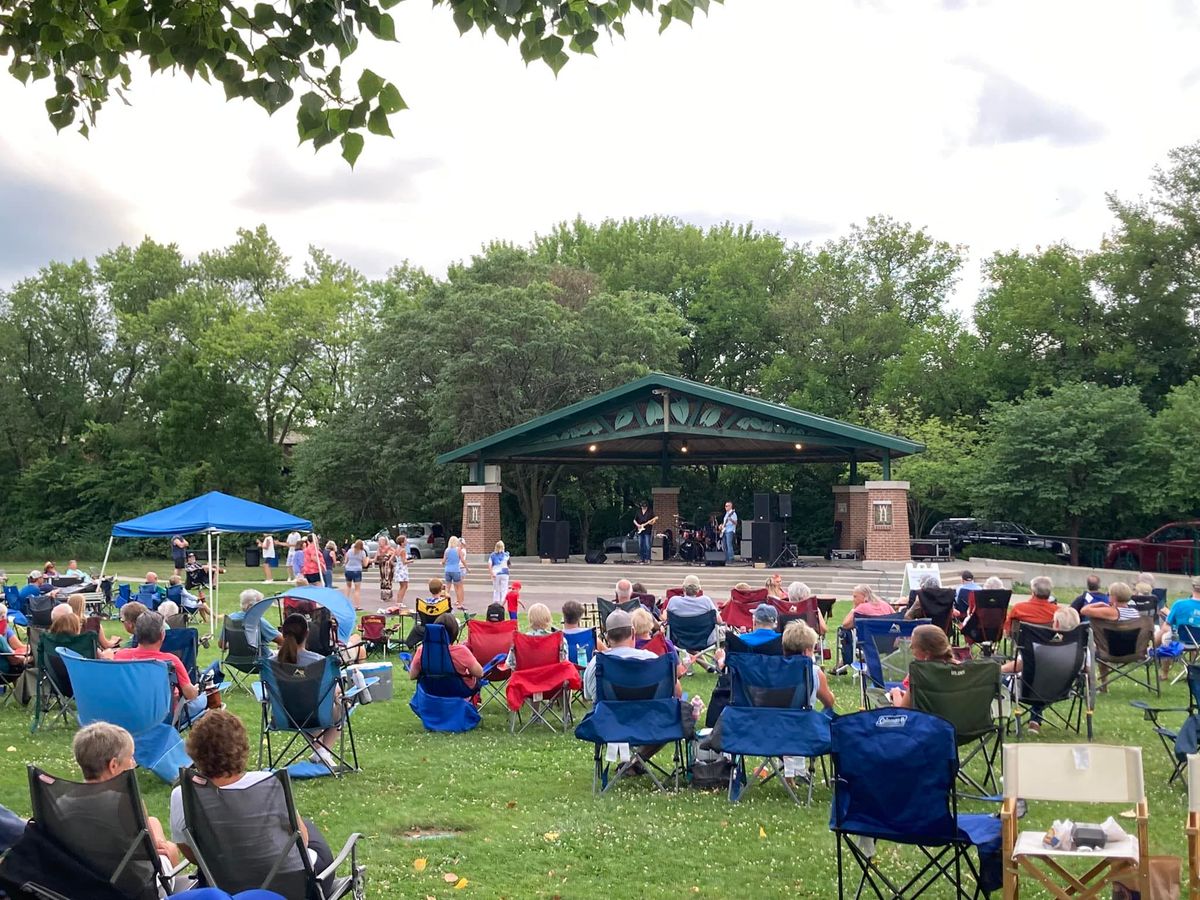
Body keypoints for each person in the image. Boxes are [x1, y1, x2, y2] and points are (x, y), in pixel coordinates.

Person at [169, 709, 339, 889]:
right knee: (306, 829)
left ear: (194, 750)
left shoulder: (183, 794)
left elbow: (193, 855)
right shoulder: (268, 783)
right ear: (240, 747)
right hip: (293, 886)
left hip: (223, 883)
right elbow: (302, 841)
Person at [72, 723, 181, 879]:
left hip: (84, 879)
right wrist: (159, 844)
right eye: (130, 757)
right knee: (170, 849)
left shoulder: (62, 801)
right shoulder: (126, 803)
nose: (134, 763)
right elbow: (150, 851)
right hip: (132, 885)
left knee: (153, 822)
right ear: (114, 765)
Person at [115, 612, 214, 722]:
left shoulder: (120, 656)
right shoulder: (171, 661)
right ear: (162, 635)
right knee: (203, 698)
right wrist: (196, 690)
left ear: (136, 634)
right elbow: (190, 694)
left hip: (129, 714)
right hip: (165, 717)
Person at [276, 614, 343, 766]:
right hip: (317, 715)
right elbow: (336, 692)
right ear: (307, 633)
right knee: (344, 703)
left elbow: (267, 692)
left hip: (284, 716)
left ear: (283, 633)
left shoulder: (271, 664)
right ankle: (324, 752)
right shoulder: (320, 662)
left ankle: (320, 751)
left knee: (304, 709)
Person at [583, 609, 677, 701]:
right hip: (649, 715)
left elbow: (588, 696)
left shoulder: (595, 664)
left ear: (607, 637)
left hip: (609, 716)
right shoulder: (653, 660)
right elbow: (674, 691)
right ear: (633, 632)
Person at [407, 612, 483, 690]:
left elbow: (412, 675)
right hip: (457, 692)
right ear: (455, 632)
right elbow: (479, 673)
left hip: (431, 691)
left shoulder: (423, 650)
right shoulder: (462, 651)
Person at [887, 624, 955, 708]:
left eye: (913, 645)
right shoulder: (963, 669)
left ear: (927, 653)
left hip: (930, 720)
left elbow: (903, 711)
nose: (910, 646)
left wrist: (895, 693)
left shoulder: (920, 674)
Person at [220, 589, 285, 650]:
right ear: (251, 606)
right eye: (260, 604)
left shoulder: (230, 618)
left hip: (235, 659)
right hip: (260, 659)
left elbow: (221, 644)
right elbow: (282, 641)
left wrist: (238, 646)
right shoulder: (258, 621)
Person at [505, 603, 563, 670]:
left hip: (524, 678)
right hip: (551, 678)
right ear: (548, 619)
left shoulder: (520, 640)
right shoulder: (557, 639)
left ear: (530, 619)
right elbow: (563, 662)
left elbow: (509, 664)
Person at [442, 536, 468, 609]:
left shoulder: (447, 550)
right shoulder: (458, 550)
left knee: (447, 588)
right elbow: (462, 560)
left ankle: (445, 604)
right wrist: (467, 568)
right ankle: (460, 603)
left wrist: (443, 563)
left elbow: (444, 561)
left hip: (447, 570)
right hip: (456, 570)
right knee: (459, 587)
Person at [342, 539, 368, 609]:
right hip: (357, 571)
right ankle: (356, 605)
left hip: (348, 570)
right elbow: (365, 564)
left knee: (348, 586)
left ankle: (345, 603)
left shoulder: (349, 551)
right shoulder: (362, 552)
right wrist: (368, 560)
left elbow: (345, 561)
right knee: (357, 589)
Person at [373, 536, 395, 606]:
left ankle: (388, 595)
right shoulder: (379, 549)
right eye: (379, 541)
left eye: (381, 541)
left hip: (388, 566)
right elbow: (375, 558)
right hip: (382, 566)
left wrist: (390, 559)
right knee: (383, 579)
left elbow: (394, 552)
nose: (379, 543)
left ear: (384, 542)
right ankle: (384, 596)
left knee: (387, 579)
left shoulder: (389, 548)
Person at [489, 541, 511, 605]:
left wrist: (491, 573)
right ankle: (503, 602)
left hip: (496, 573)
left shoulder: (492, 555)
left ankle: (496, 602)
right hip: (505, 573)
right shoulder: (506, 555)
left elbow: (489, 565)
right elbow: (509, 564)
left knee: (496, 588)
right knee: (504, 588)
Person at [390, 536, 408, 604]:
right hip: (403, 569)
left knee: (402, 586)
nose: (406, 542)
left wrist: (395, 565)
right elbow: (404, 562)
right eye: (405, 541)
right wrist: (411, 561)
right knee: (404, 586)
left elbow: (391, 560)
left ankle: (399, 602)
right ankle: (399, 602)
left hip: (398, 569)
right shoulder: (403, 550)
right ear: (402, 542)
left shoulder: (397, 549)